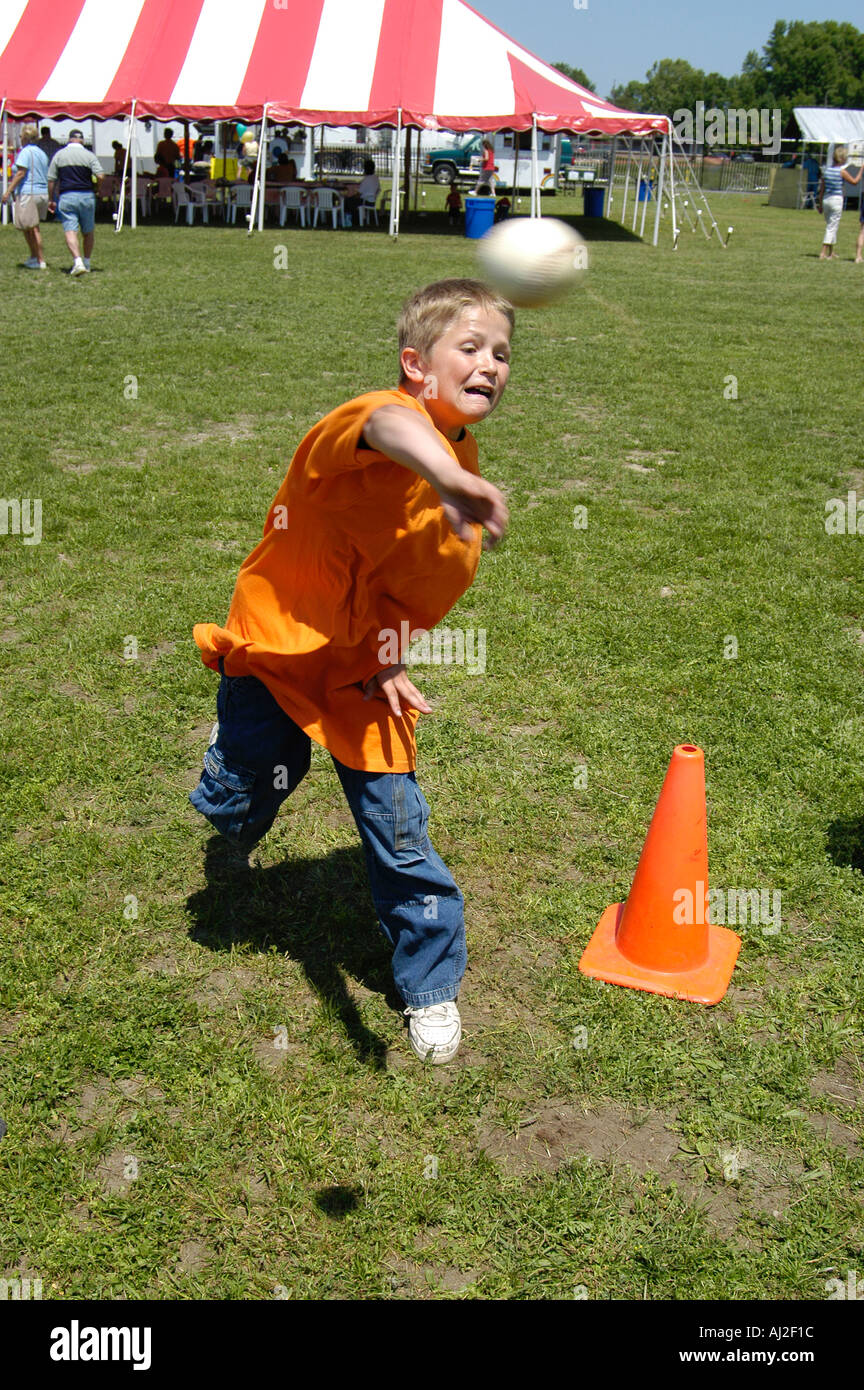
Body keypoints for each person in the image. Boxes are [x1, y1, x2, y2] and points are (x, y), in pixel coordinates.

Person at [189, 279, 513, 1065]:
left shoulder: (458, 479)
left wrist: (391, 656)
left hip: (360, 672)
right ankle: (231, 785)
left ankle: (429, 985)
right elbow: (388, 427)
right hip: (277, 645)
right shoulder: (378, 418)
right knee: (245, 790)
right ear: (416, 364)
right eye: (470, 348)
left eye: (503, 354)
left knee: (399, 831)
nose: (490, 365)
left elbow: (412, 586)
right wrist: (449, 477)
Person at [46, 130, 103, 276]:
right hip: (87, 196)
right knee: (88, 231)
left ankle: (78, 261)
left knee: (70, 230)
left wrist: (51, 199)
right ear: (82, 141)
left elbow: (51, 179)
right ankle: (87, 262)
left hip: (67, 195)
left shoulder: (59, 155)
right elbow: (100, 175)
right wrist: (97, 188)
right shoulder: (89, 155)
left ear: (69, 140)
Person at [1, 124, 50, 268]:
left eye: (21, 136)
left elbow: (20, 173)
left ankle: (39, 259)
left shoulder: (25, 152)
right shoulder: (41, 153)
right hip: (42, 192)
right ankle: (34, 256)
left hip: (29, 192)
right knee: (29, 227)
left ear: (26, 138)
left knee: (32, 228)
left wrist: (8, 191)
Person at [817, 145, 864, 260]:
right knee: (831, 227)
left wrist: (820, 204)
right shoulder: (842, 172)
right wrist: (861, 170)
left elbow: (821, 190)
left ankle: (831, 252)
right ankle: (823, 252)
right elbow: (854, 181)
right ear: (842, 158)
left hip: (826, 199)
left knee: (831, 225)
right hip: (836, 200)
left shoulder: (827, 171)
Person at [341, 158, 381, 225]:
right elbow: (378, 189)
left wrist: (350, 197)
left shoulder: (367, 179)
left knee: (347, 200)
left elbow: (359, 194)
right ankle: (351, 219)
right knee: (350, 200)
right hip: (372, 200)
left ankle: (347, 219)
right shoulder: (375, 178)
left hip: (366, 201)